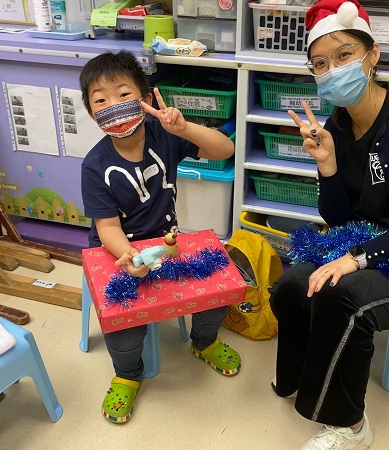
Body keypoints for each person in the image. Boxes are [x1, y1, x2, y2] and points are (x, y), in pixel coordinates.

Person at [268, 0, 389, 448]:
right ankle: (299, 375)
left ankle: (351, 426)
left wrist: (356, 260)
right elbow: (340, 220)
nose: (332, 69)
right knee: (294, 283)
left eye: (343, 55)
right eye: (321, 63)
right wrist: (329, 167)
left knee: (342, 296)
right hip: (369, 245)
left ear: (372, 55)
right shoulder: (336, 128)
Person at [80, 50, 241, 424]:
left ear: (147, 98)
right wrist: (130, 258)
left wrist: (183, 128)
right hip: (116, 251)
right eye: (100, 101)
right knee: (121, 322)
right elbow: (107, 228)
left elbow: (225, 149)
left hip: (168, 244)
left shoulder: (164, 136)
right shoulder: (94, 166)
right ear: (92, 114)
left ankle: (205, 342)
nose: (113, 106)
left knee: (216, 287)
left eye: (123, 94)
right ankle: (127, 374)